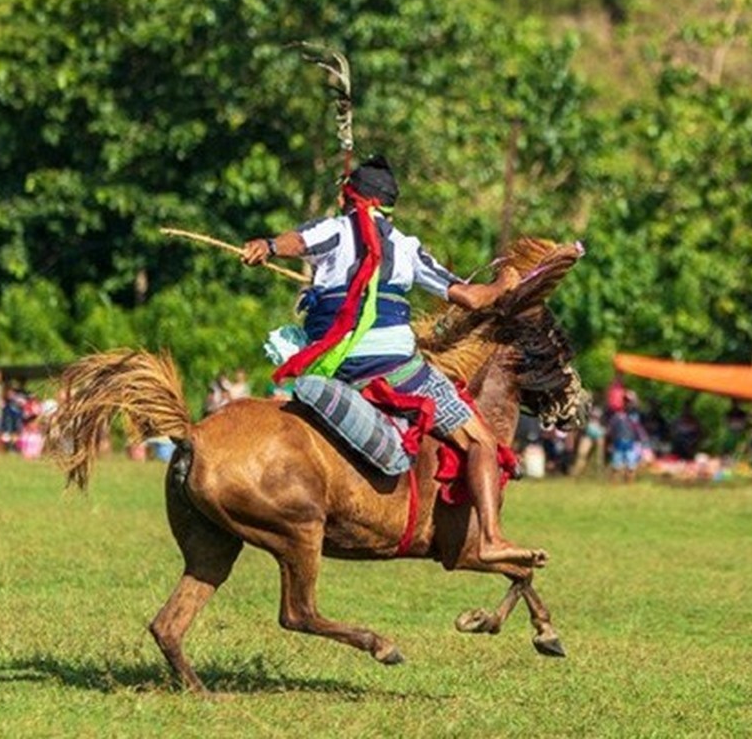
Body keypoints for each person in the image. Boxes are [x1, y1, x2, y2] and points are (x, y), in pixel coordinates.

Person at [241, 155, 538, 566]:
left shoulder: (333, 229)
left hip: (335, 368)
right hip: (399, 371)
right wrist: (505, 282)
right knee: (483, 441)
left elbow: (297, 241)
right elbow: (470, 298)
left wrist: (267, 246)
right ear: (389, 205)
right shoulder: (406, 247)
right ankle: (490, 537)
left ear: (349, 198)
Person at [606, 391, 646, 484]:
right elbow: (611, 431)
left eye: (630, 401)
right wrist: (610, 443)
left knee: (631, 468)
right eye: (627, 401)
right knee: (616, 468)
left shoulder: (637, 416)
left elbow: (640, 431)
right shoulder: (618, 416)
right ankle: (613, 486)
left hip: (631, 444)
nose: (628, 404)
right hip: (618, 444)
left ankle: (628, 487)